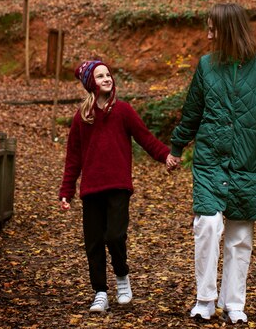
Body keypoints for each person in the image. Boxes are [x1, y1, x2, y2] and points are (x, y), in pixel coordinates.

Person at [167, 3, 256, 324]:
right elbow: (192, 110)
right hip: (210, 161)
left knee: (240, 236)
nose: (207, 35)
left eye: (212, 29)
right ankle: (205, 299)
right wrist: (177, 146)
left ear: (229, 30)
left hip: (249, 163)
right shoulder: (206, 66)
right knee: (207, 225)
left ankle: (234, 302)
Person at [59, 59, 176, 313]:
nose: (107, 79)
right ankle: (100, 292)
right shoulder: (82, 118)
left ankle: (122, 276)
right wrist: (66, 191)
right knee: (93, 242)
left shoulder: (123, 111)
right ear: (91, 83)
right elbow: (74, 158)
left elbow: (145, 137)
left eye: (108, 74)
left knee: (114, 235)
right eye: (100, 76)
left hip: (118, 186)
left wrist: (165, 155)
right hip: (91, 189)